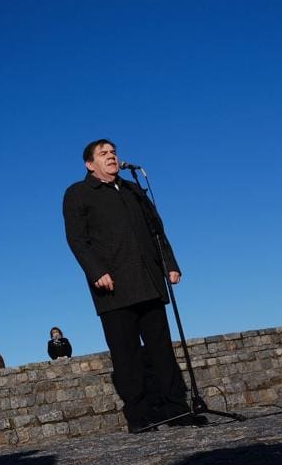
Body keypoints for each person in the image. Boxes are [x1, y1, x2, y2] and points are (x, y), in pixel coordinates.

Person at [63, 138, 201, 433]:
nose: (111, 156)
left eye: (113, 152)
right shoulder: (78, 193)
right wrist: (97, 271)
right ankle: (139, 418)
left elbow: (156, 230)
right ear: (90, 164)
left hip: (149, 281)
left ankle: (177, 410)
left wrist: (170, 263)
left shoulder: (134, 190)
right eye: (104, 154)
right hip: (112, 288)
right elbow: (77, 239)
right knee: (126, 356)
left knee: (162, 350)